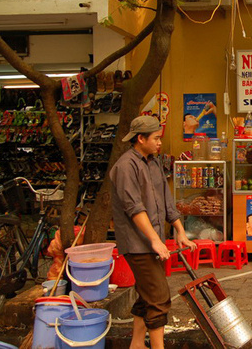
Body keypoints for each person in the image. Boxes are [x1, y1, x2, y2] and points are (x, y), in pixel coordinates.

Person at [110, 115, 197, 349]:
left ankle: (137, 345)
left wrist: (179, 231)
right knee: (159, 297)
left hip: (153, 241)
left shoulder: (154, 162)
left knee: (147, 294)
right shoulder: (125, 166)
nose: (160, 143)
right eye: (156, 138)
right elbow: (134, 208)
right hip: (137, 244)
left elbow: (167, 201)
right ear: (141, 138)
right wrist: (155, 240)